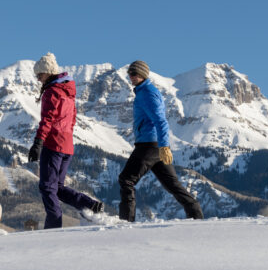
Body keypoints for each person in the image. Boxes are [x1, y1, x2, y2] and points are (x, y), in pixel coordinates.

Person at [118, 60, 204, 221]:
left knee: (126, 179)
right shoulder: (143, 92)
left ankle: (125, 221)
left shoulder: (148, 93)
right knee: (172, 185)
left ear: (143, 74)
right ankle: (195, 213)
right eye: (130, 73)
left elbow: (161, 121)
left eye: (134, 73)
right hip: (154, 145)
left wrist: (164, 146)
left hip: (149, 145)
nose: (131, 76)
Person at [27, 52, 103, 228]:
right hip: (67, 145)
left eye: (40, 75)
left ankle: (53, 226)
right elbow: (73, 119)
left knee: (47, 187)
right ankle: (90, 205)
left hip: (53, 144)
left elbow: (47, 119)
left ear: (48, 73)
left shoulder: (51, 92)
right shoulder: (68, 93)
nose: (38, 79)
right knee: (58, 188)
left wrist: (38, 142)